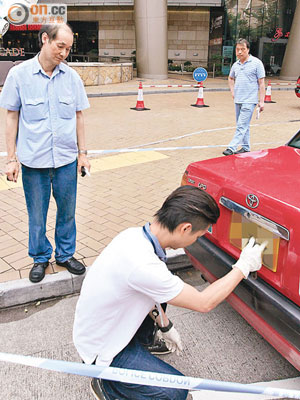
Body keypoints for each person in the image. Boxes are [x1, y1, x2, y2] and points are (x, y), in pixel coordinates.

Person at [73, 185, 267, 400]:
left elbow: (152, 291)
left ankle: (142, 345)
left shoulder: (135, 236)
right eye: (198, 236)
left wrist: (165, 326)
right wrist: (243, 267)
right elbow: (204, 302)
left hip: (102, 327)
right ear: (185, 228)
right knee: (175, 393)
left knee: (168, 291)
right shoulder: (143, 264)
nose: (196, 241)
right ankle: (108, 386)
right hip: (103, 350)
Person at [0, 23, 90, 283]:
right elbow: (11, 118)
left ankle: (64, 255)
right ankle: (40, 257)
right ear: (45, 39)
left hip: (65, 161)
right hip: (33, 162)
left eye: (68, 48)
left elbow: (79, 116)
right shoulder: (20, 75)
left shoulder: (71, 77)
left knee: (67, 212)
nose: (64, 53)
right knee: (36, 214)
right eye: (60, 46)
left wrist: (82, 154)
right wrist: (11, 159)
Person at [223, 38, 265, 156]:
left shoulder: (256, 63)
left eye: (242, 49)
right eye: (237, 49)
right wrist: (232, 91)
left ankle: (231, 148)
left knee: (241, 125)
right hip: (238, 100)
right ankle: (246, 147)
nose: (240, 52)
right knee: (243, 125)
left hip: (250, 100)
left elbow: (261, 83)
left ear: (248, 50)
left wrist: (262, 102)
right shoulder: (235, 65)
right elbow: (231, 78)